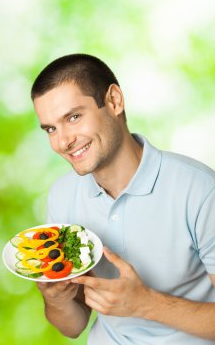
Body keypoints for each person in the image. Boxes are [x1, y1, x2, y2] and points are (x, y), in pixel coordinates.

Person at [31, 53, 215, 344]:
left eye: (74, 117)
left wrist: (146, 304)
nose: (63, 141)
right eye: (51, 129)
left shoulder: (201, 191)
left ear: (114, 101)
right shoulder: (62, 196)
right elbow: (73, 326)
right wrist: (56, 300)